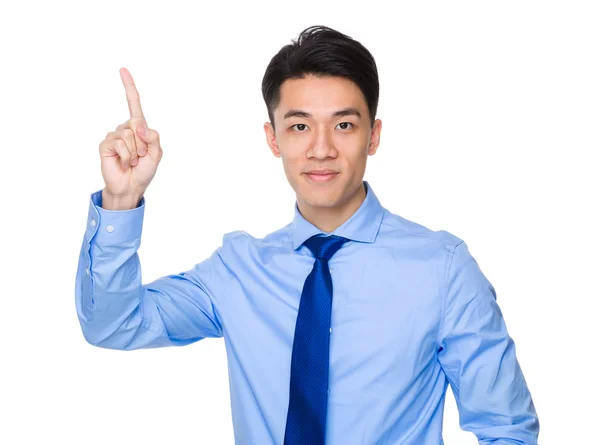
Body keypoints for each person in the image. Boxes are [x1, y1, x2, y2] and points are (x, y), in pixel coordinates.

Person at [75, 25, 540, 445]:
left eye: (343, 124)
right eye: (299, 126)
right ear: (273, 138)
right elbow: (112, 324)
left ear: (373, 136)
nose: (321, 149)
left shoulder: (442, 269)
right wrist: (121, 202)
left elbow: (506, 429)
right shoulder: (238, 269)